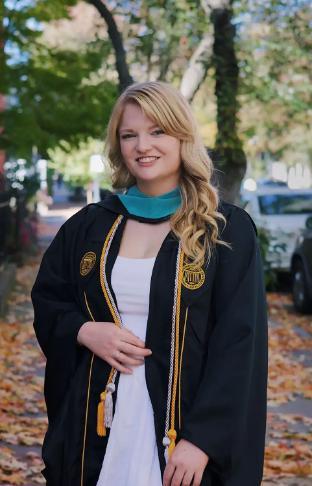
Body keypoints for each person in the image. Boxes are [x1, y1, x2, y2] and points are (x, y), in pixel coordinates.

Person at [31, 81, 268, 486]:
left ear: (182, 135)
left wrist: (202, 439)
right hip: (99, 424)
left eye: (157, 131)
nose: (143, 145)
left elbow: (239, 343)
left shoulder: (224, 231)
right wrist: (85, 331)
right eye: (129, 134)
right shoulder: (90, 226)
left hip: (182, 432)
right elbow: (49, 300)